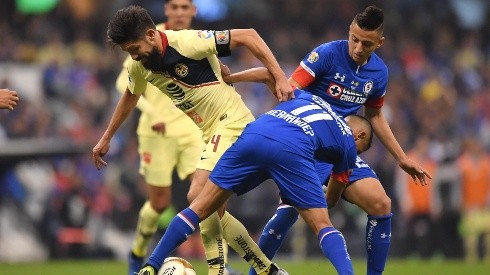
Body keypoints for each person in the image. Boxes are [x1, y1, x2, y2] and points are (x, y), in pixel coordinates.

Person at [224, 6, 431, 275]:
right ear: (349, 32)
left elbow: (375, 116)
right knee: (289, 211)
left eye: (366, 43)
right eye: (354, 39)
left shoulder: (379, 73)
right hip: (306, 144)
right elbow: (289, 86)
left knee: (381, 204)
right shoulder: (326, 54)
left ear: (379, 43)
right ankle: (257, 273)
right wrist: (235, 79)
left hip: (340, 148)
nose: (357, 47)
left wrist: (401, 157)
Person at [92, 5, 293, 275]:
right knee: (214, 210)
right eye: (129, 52)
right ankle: (267, 270)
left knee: (197, 195)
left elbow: (249, 35)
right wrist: (107, 136)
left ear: (151, 35)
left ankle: (216, 270)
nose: (134, 56)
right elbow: (131, 95)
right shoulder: (141, 66)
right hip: (210, 131)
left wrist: (279, 75)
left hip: (231, 121)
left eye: (135, 48)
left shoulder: (187, 42)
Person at [139, 91, 374, 275]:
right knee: (323, 225)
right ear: (359, 136)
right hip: (292, 148)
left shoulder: (308, 98)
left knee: (199, 206)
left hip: (256, 133)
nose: (356, 153)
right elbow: (332, 197)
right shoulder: (347, 143)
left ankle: (151, 265)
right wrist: (316, 199)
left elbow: (270, 78)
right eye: (360, 149)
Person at [114, 1, 240, 274]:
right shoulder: (142, 40)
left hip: (192, 130)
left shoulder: (194, 41)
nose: (180, 12)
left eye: (186, 7)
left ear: (193, 11)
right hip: (155, 132)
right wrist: (150, 113)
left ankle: (221, 265)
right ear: (166, 11)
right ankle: (137, 252)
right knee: (159, 203)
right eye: (175, 7)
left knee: (210, 195)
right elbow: (126, 86)